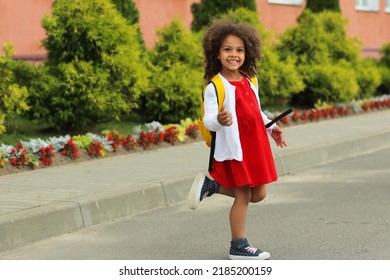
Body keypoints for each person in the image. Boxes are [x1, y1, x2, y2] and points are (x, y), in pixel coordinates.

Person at [186, 20, 287, 260]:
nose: (234, 54)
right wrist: (220, 119)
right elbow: (208, 120)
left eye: (239, 50)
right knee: (243, 195)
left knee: (259, 194)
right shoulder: (215, 86)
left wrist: (271, 128)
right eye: (227, 49)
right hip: (236, 148)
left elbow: (256, 111)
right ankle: (238, 245)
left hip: (255, 146)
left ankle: (212, 187)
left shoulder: (250, 79)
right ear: (217, 54)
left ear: (247, 53)